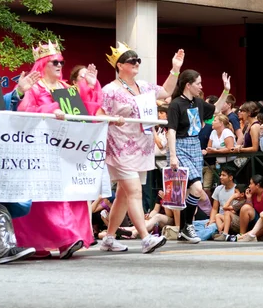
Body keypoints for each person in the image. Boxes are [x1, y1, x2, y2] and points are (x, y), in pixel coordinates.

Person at [14, 40, 102, 259]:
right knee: (46, 199)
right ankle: (41, 242)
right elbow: (24, 114)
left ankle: (68, 240)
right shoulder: (35, 88)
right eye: (54, 62)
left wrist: (89, 87)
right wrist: (51, 108)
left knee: (69, 193)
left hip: (67, 149)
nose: (59, 66)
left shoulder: (66, 88)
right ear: (43, 64)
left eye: (60, 62)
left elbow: (86, 113)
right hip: (42, 151)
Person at [97, 42, 184, 254]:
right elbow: (98, 114)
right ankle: (145, 238)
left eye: (137, 60)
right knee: (134, 191)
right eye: (131, 60)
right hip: (120, 148)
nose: (136, 63)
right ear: (119, 65)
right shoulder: (110, 89)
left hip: (142, 148)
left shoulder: (144, 86)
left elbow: (165, 91)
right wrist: (111, 119)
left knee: (124, 196)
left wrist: (175, 69)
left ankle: (109, 238)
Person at [167, 70, 232, 243]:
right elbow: (171, 131)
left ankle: (183, 229)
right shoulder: (175, 104)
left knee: (192, 191)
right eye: (198, 83)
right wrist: (173, 155)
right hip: (180, 146)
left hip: (195, 145)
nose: (201, 87)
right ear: (188, 85)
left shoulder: (198, 102)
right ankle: (188, 225)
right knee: (196, 189)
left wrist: (225, 90)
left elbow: (216, 109)